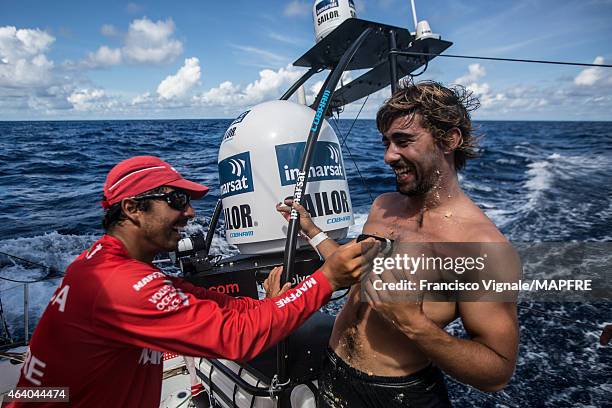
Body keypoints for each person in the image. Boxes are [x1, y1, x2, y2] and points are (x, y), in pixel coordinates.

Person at [5, 156, 380, 408]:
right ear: (133, 209)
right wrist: (324, 281)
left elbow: (219, 305)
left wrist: (279, 301)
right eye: (176, 199)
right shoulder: (119, 285)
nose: (189, 212)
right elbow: (236, 337)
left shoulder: (101, 264)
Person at [277, 81, 519, 407]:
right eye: (387, 142)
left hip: (398, 395)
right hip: (333, 370)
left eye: (403, 141)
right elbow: (356, 274)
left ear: (450, 140)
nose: (389, 156)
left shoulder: (482, 246)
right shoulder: (383, 206)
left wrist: (414, 323)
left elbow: (498, 371)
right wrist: (312, 230)